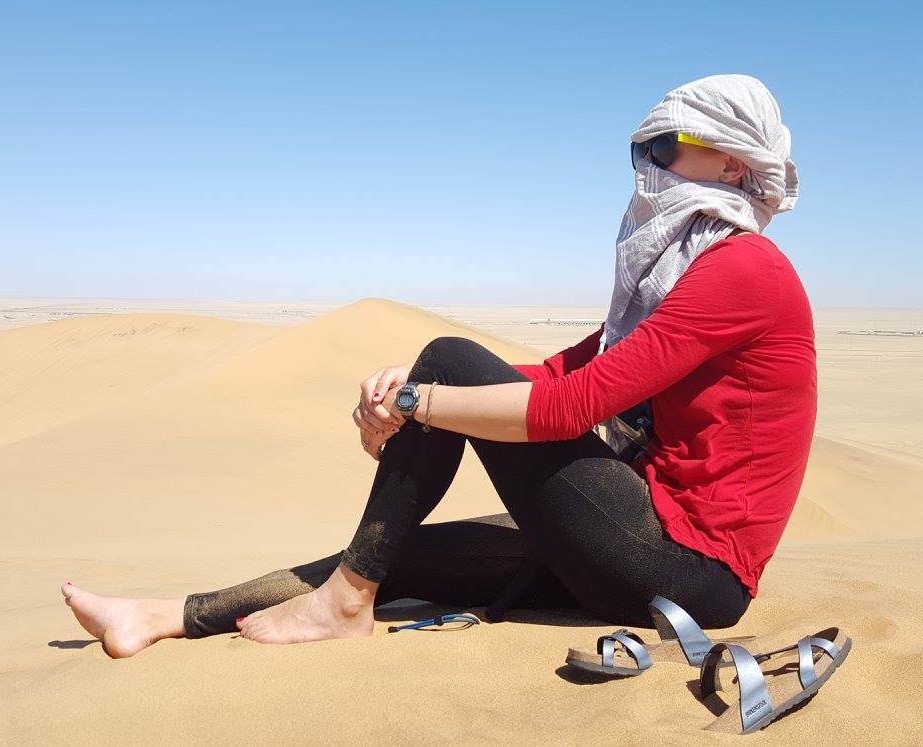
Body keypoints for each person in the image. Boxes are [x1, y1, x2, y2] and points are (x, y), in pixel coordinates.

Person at [61, 74, 816, 657]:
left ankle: (343, 604)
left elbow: (568, 408)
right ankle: (164, 616)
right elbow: (560, 370)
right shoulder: (680, 276)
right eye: (639, 151)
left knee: (449, 361)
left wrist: (426, 396)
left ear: (727, 158)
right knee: (404, 552)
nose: (645, 168)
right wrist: (411, 388)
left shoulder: (743, 271)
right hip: (637, 536)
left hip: (691, 570)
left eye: (661, 148)